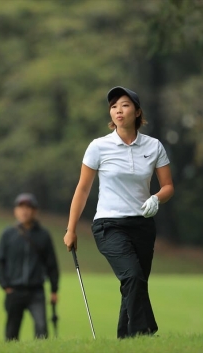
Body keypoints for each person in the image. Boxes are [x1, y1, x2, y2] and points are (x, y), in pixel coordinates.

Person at [63, 86, 174, 339]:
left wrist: (157, 198)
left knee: (134, 285)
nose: (118, 110)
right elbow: (82, 190)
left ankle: (125, 341)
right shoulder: (99, 147)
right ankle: (144, 333)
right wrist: (71, 229)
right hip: (109, 225)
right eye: (113, 106)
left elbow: (168, 186)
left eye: (124, 105)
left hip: (143, 225)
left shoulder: (154, 146)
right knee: (133, 277)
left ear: (137, 111)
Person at [0, 193, 59, 341]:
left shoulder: (43, 235)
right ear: (15, 211)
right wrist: (5, 286)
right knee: (12, 332)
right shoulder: (8, 234)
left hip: (36, 291)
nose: (25, 211)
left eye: (29, 207)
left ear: (35, 211)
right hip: (14, 290)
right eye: (21, 207)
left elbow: (52, 264)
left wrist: (54, 289)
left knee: (42, 328)